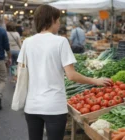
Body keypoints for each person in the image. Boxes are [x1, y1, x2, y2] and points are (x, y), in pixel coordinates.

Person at [17, 5, 112, 140]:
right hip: (54, 106)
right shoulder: (61, 42)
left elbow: (21, 71)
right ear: (51, 20)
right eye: (58, 20)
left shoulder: (27, 42)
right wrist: (95, 81)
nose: (59, 23)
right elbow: (71, 75)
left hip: (32, 106)